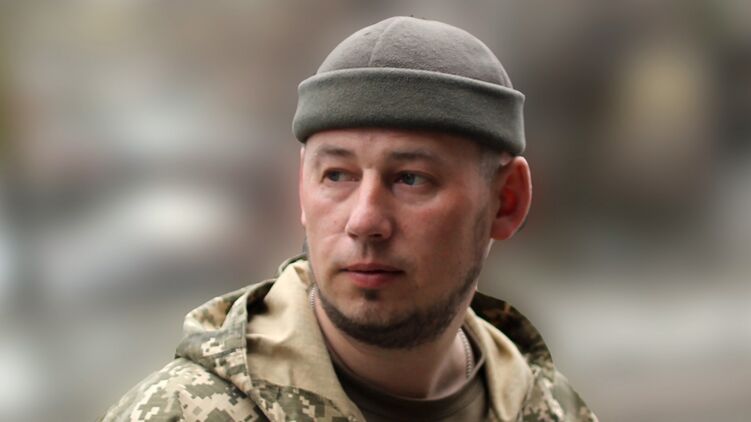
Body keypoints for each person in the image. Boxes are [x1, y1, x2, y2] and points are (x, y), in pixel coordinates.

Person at [100, 16, 597, 422]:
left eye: (411, 179)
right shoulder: (184, 413)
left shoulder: (551, 410)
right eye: (337, 175)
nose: (364, 221)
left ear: (506, 201)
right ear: (301, 187)